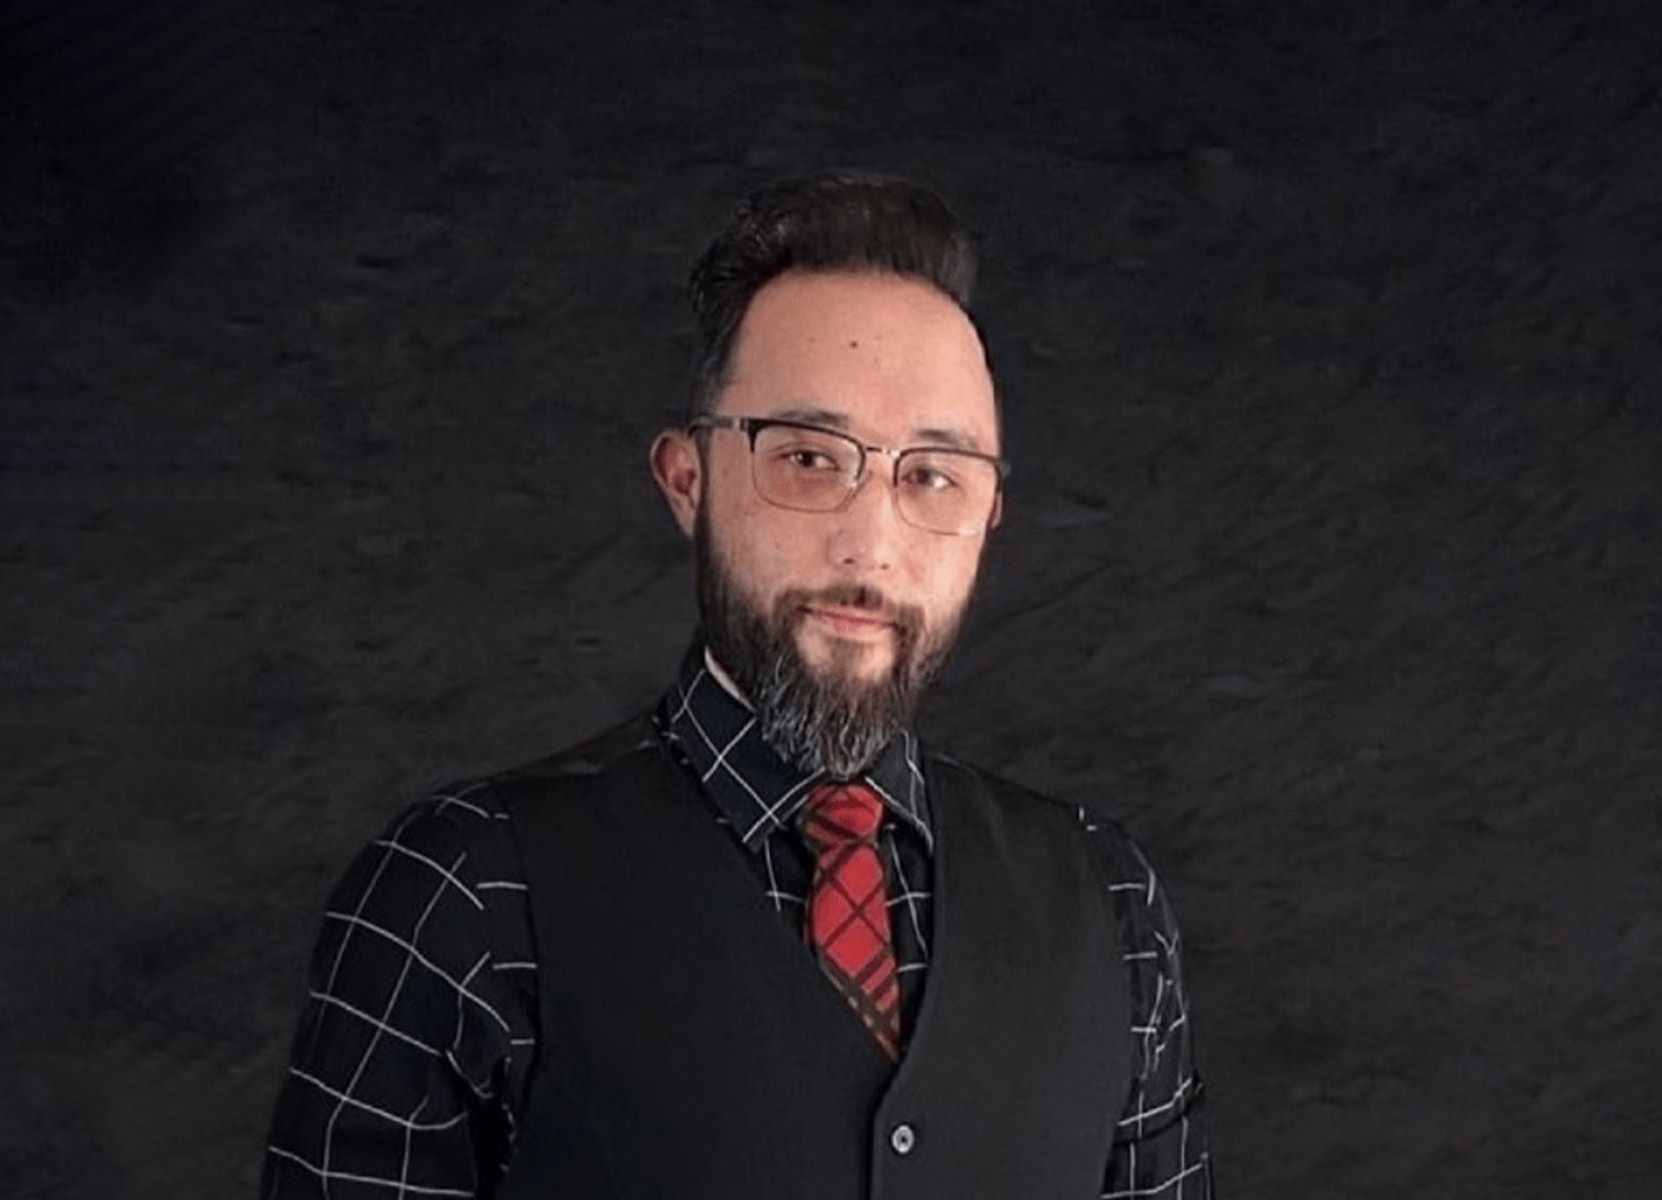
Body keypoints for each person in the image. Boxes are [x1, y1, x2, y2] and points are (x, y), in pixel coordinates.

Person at [260, 173, 1212, 1199]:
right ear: (688, 480)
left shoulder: (1109, 902)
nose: (870, 543)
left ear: (986, 516)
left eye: (932, 474)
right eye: (807, 458)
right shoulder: (460, 893)